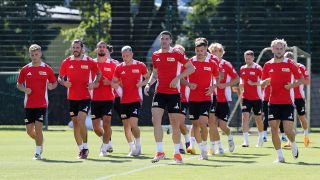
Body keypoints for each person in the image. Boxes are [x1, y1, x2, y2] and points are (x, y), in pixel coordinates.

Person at [144, 31, 195, 163]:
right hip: (159, 92)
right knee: (156, 120)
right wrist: (149, 84)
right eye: (162, 39)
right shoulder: (156, 55)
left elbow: (191, 68)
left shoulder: (177, 53)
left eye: (167, 39)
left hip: (174, 94)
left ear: (170, 41)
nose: (164, 41)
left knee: (175, 124)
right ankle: (159, 151)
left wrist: (178, 77)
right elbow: (155, 73)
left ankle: (177, 152)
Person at [261, 39, 303, 163]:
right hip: (272, 102)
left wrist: (291, 86)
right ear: (272, 49)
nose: (279, 51)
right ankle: (280, 156)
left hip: (287, 103)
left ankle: (293, 143)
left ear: (284, 50)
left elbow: (300, 79)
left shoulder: (290, 63)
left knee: (288, 130)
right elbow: (262, 82)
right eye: (276, 48)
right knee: (273, 128)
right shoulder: (267, 65)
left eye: (281, 49)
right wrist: (264, 83)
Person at [58, 39, 101, 159]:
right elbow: (60, 78)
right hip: (72, 97)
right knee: (75, 124)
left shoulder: (89, 61)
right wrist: (64, 83)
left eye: (78, 47)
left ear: (82, 49)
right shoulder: (66, 62)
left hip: (85, 96)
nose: (76, 49)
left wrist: (93, 83)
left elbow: (98, 73)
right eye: (74, 47)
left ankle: (86, 147)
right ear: (71, 49)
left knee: (81, 119)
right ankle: (81, 149)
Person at [17, 44, 57, 160]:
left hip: (41, 104)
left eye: (36, 54)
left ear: (40, 54)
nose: (34, 56)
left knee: (39, 128)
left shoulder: (47, 68)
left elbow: (54, 83)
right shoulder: (25, 69)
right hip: (29, 104)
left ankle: (38, 152)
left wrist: (51, 86)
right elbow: (19, 84)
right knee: (30, 131)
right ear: (30, 55)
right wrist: (25, 89)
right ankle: (40, 141)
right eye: (32, 54)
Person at [184, 38, 219, 160]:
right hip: (193, 99)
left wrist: (213, 87)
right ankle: (202, 149)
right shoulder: (189, 62)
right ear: (195, 50)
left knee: (203, 123)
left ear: (206, 51)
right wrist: (188, 84)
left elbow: (218, 77)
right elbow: (181, 77)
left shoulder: (212, 63)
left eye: (202, 50)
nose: (199, 52)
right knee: (195, 125)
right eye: (197, 50)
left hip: (206, 98)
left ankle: (204, 147)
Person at [112, 46, 150, 156]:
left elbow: (148, 78)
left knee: (133, 123)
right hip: (123, 100)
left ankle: (138, 145)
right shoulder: (119, 68)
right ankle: (132, 148)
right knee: (126, 126)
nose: (125, 57)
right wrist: (116, 84)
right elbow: (114, 82)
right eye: (123, 56)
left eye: (127, 55)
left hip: (136, 99)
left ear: (132, 54)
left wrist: (142, 84)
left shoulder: (140, 65)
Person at [207, 43, 239, 155]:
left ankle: (229, 136)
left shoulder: (226, 64)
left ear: (222, 52)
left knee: (222, 125)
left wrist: (225, 85)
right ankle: (217, 147)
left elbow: (236, 79)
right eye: (213, 51)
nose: (215, 53)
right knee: (212, 124)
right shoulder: (208, 63)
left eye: (218, 51)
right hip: (211, 98)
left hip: (223, 99)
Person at [91, 41, 117, 156]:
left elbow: (118, 83)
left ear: (107, 50)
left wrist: (110, 82)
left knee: (107, 124)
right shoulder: (91, 63)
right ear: (96, 50)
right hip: (93, 99)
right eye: (99, 47)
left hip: (108, 99)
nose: (101, 49)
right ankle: (108, 140)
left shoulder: (113, 64)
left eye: (103, 47)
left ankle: (104, 149)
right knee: (96, 128)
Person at [283, 51, 311, 148]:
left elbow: (307, 80)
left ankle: (306, 136)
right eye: (287, 58)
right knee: (287, 120)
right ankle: (289, 141)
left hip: (299, 97)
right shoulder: (283, 67)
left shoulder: (301, 67)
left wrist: (295, 82)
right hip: (287, 98)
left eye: (291, 58)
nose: (289, 60)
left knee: (302, 117)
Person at [239, 50, 264, 147]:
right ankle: (246, 141)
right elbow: (242, 78)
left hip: (257, 98)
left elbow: (264, 81)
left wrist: (253, 83)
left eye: (249, 58)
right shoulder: (242, 68)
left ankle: (261, 137)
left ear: (253, 58)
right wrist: (241, 82)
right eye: (246, 58)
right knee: (245, 117)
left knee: (258, 119)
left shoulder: (258, 68)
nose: (247, 60)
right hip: (246, 97)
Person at [173, 44, 191, 154]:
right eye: (176, 50)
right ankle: (179, 146)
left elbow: (184, 80)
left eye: (180, 51)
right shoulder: (171, 63)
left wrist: (177, 78)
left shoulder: (186, 65)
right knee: (175, 123)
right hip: (172, 96)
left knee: (180, 122)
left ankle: (187, 140)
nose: (177, 52)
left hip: (183, 97)